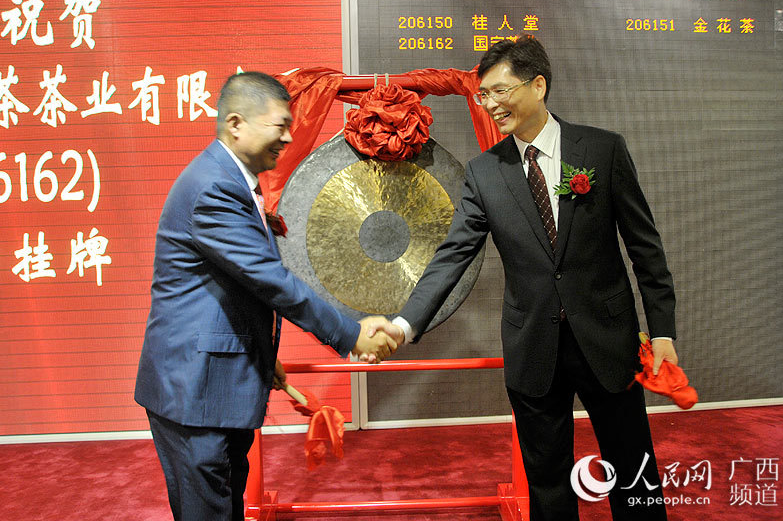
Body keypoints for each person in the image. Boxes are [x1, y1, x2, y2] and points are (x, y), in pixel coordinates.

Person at [391, 37, 678, 520]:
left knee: (633, 472)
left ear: (538, 85)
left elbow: (644, 247)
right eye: (484, 94)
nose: (490, 104)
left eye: (500, 91)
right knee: (547, 484)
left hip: (607, 339)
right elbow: (453, 255)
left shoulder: (602, 150)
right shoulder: (485, 172)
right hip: (533, 347)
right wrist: (405, 324)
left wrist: (663, 330)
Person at [134, 71, 398, 521]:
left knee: (225, 505)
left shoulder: (232, 181)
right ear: (236, 124)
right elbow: (268, 279)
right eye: (281, 125)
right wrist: (350, 334)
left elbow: (235, 286)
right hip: (194, 390)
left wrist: (260, 353)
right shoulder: (214, 187)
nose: (289, 137)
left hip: (218, 379)